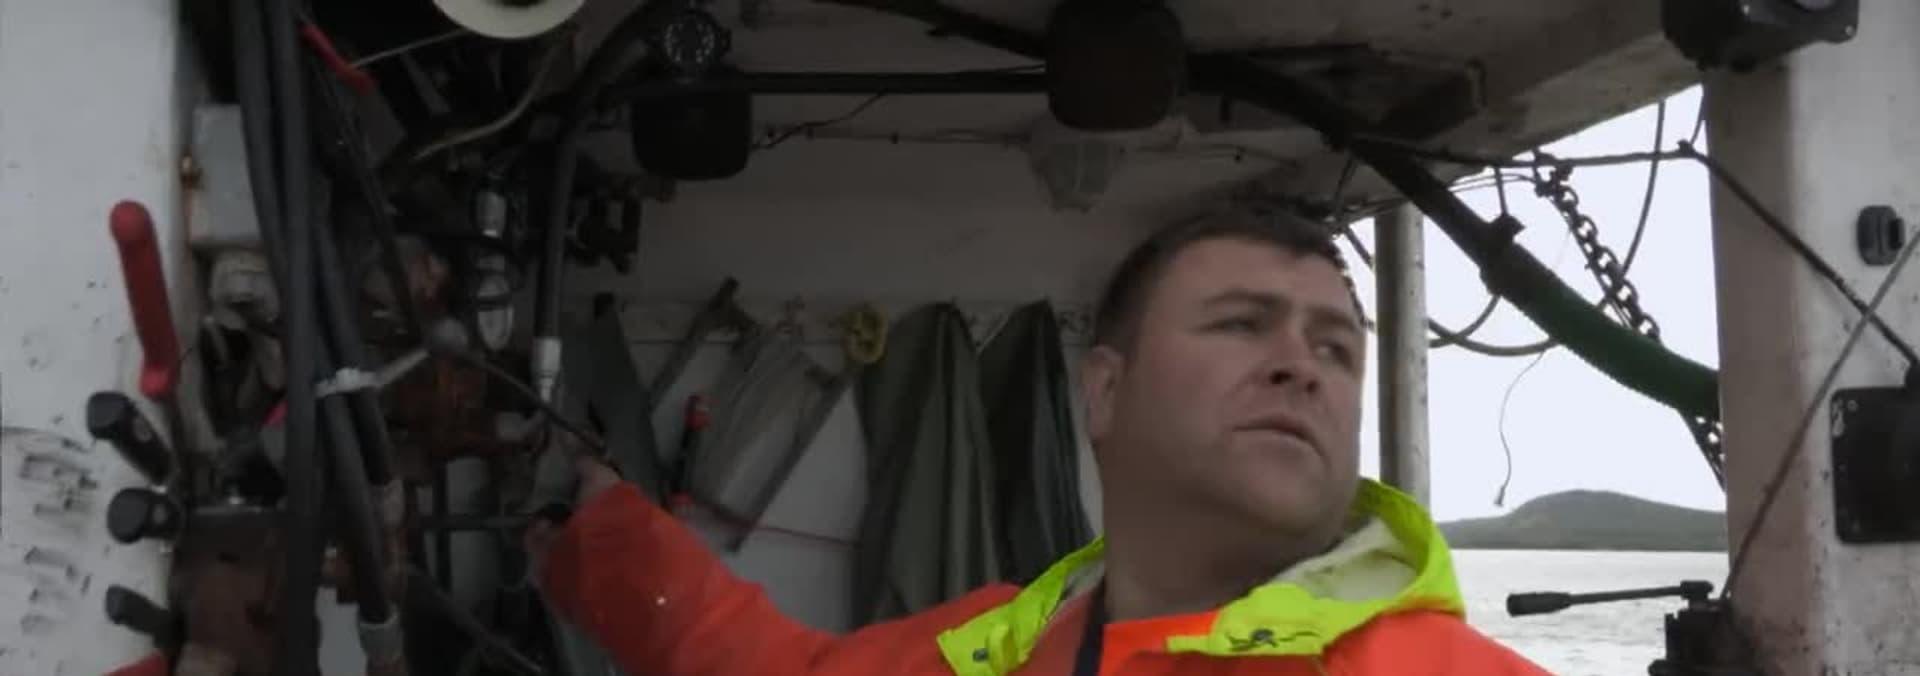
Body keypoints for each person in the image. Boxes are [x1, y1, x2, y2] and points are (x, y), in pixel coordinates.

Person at [525, 210, 1550, 675]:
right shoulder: (1001, 644)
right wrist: (602, 525)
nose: (1302, 365)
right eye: (1242, 324)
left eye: (1336, 347)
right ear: (1103, 391)